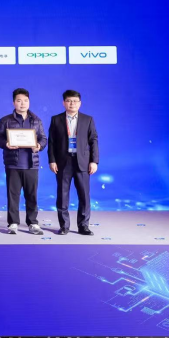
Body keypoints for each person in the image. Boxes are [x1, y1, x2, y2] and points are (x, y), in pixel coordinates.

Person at [0, 88, 47, 235]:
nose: (22, 103)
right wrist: (6, 144)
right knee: (13, 195)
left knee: (32, 195)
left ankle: (33, 223)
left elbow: (43, 138)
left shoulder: (36, 120)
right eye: (19, 100)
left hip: (31, 164)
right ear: (14, 103)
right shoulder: (5, 120)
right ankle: (13, 223)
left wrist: (39, 146)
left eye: (25, 100)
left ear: (29, 102)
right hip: (13, 163)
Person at [48, 89, 99, 236]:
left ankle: (83, 226)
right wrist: (52, 160)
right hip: (63, 162)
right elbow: (51, 142)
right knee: (62, 195)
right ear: (63, 103)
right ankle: (64, 226)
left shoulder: (88, 119)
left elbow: (94, 141)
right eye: (69, 101)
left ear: (80, 103)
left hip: (82, 162)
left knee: (84, 195)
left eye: (75, 101)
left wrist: (94, 161)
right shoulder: (56, 119)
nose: (72, 104)